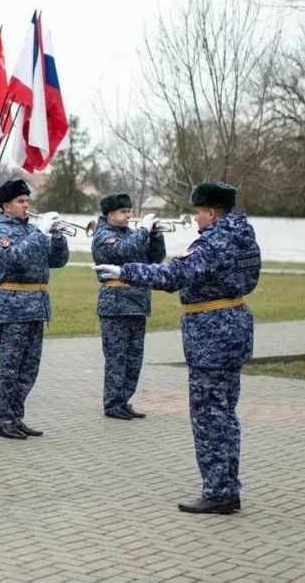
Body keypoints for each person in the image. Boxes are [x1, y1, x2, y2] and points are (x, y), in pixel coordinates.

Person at [95, 182, 260, 515]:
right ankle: (228, 487)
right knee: (226, 414)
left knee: (209, 417)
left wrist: (125, 271)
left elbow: (175, 274)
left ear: (211, 212)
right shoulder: (245, 238)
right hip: (233, 327)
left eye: (198, 212)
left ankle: (217, 492)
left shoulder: (214, 240)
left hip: (212, 333)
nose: (196, 219)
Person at [0, 179, 69, 440]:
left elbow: (58, 261)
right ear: (7, 207)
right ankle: (3, 420)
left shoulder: (33, 229)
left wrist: (56, 236)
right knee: (10, 368)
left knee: (28, 368)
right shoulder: (0, 232)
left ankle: (17, 416)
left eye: (26, 200)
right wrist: (40, 234)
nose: (27, 205)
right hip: (12, 307)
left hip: (35, 307)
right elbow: (15, 258)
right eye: (21, 201)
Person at [91, 193, 166, 420]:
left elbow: (155, 258)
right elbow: (124, 251)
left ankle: (124, 399)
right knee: (117, 357)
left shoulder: (132, 234)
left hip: (137, 302)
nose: (128, 215)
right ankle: (112, 402)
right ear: (110, 214)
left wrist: (155, 236)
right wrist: (144, 230)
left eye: (128, 211)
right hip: (116, 303)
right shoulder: (103, 235)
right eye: (124, 212)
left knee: (134, 357)